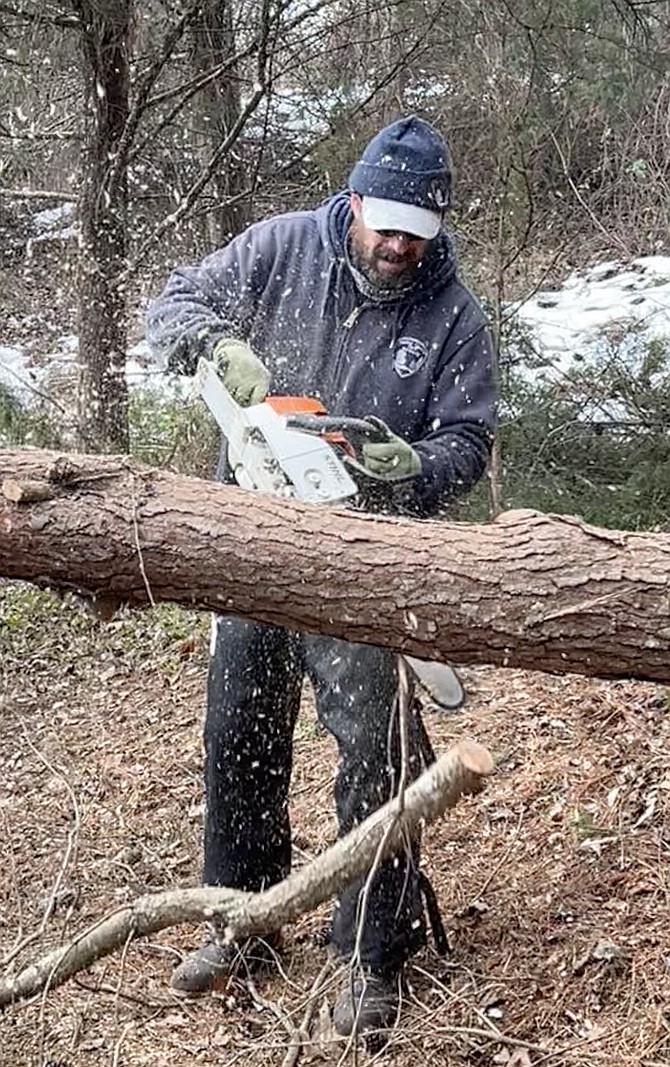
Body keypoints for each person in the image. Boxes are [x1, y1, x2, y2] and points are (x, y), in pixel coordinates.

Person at [146, 114, 498, 1039]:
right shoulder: (281, 248)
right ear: (352, 203)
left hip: (363, 554)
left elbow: (468, 440)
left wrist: (409, 467)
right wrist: (214, 345)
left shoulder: (452, 313)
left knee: (374, 753)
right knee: (240, 737)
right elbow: (175, 300)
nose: (396, 245)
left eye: (415, 232)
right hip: (256, 533)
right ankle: (244, 912)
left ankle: (371, 950)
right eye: (384, 223)